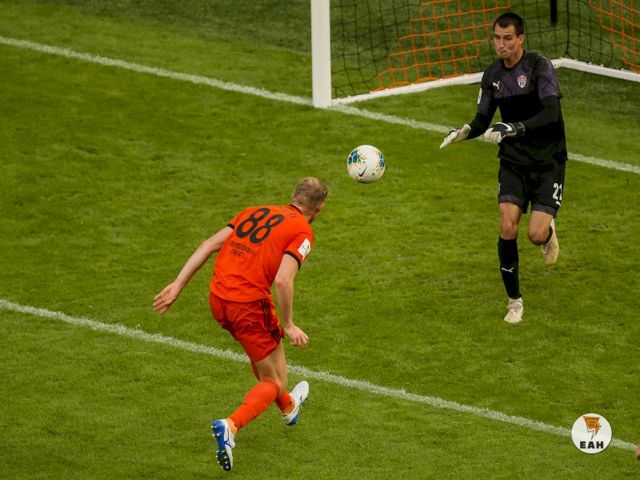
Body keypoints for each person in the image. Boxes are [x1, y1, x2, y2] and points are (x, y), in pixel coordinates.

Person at [153, 177, 328, 471]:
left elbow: (209, 244)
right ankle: (231, 425)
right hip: (248, 305)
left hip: (218, 299)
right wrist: (289, 324)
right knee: (275, 380)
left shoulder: (254, 211)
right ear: (319, 208)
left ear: (292, 195)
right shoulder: (302, 230)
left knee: (263, 360)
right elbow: (283, 280)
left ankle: (288, 407)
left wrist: (177, 285)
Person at [440, 12, 566, 324]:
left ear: (520, 39)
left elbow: (551, 113)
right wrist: (465, 132)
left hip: (548, 160)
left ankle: (547, 233)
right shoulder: (492, 75)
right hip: (513, 161)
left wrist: (516, 127)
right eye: (497, 38)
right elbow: (483, 118)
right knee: (507, 226)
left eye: (507, 38)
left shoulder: (539, 67)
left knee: (534, 234)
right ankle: (514, 302)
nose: (501, 44)